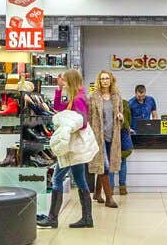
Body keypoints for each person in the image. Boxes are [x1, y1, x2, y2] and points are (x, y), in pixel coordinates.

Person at [38, 69, 94, 229]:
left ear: (71, 81)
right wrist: (58, 90)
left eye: (64, 80)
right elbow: (58, 108)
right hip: (74, 146)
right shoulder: (76, 96)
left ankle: (52, 218)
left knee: (56, 179)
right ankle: (87, 218)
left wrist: (67, 127)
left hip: (70, 146)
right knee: (80, 179)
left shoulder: (79, 99)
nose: (62, 82)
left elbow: (81, 122)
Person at [88, 70, 122, 208]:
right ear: (99, 81)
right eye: (102, 78)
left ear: (111, 80)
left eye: (107, 78)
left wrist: (121, 116)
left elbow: (120, 112)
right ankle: (109, 198)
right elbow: (89, 116)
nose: (105, 81)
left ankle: (97, 193)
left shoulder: (116, 96)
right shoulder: (93, 97)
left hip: (112, 136)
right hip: (98, 136)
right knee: (105, 167)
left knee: (103, 164)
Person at [117, 94, 133, 195]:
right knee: (122, 161)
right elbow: (129, 119)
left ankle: (109, 189)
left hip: (111, 135)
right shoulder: (125, 103)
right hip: (123, 134)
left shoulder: (107, 103)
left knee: (110, 163)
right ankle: (122, 188)